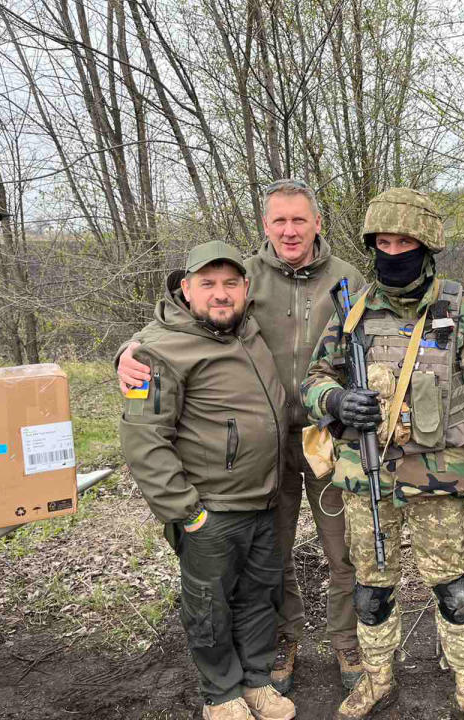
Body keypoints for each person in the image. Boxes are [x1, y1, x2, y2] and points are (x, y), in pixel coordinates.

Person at [117, 180, 363, 692]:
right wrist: (129, 347)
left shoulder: (347, 279)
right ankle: (284, 639)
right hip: (263, 450)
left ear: (318, 223)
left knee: (344, 552)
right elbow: (183, 321)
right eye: (279, 221)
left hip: (328, 439)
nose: (290, 231)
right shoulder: (244, 276)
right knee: (275, 555)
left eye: (300, 220)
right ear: (266, 226)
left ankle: (348, 643)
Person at [301, 188, 464, 720]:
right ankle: (377, 677)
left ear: (426, 247)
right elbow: (312, 381)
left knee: (454, 590)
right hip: (367, 480)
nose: (391, 251)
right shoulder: (351, 315)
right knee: (372, 591)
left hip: (439, 482)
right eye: (382, 242)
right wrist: (334, 400)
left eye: (403, 242)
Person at [119, 241, 295, 720]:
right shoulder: (158, 350)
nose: (221, 294)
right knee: (209, 607)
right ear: (186, 290)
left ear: (245, 288)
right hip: (211, 510)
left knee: (260, 597)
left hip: (264, 501)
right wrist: (187, 512)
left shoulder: (250, 332)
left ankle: (256, 680)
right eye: (208, 284)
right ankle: (220, 693)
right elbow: (143, 440)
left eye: (230, 283)